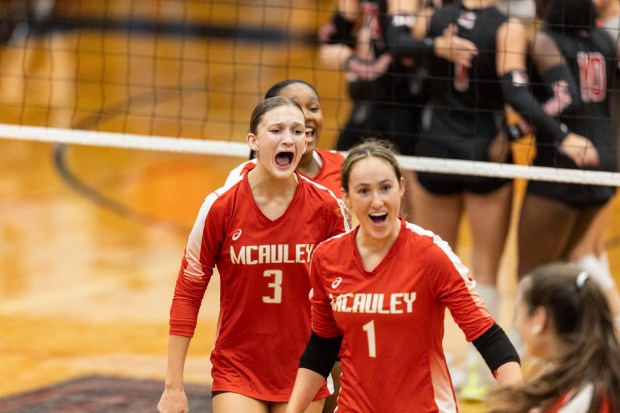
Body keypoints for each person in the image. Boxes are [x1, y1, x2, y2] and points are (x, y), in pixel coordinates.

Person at [405, 0, 597, 398]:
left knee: (430, 268)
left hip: (434, 145)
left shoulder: (431, 17)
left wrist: (431, 48)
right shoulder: (506, 27)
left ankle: (431, 367)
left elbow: (399, 53)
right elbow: (514, 91)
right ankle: (480, 372)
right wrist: (562, 134)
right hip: (486, 151)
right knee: (486, 269)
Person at [284, 139, 522, 413]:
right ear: (346, 198)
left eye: (386, 188)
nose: (377, 201)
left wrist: (519, 400)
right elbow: (322, 347)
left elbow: (488, 336)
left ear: (401, 188)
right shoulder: (327, 257)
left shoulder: (430, 254)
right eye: (363, 191)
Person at [157, 96, 349, 413]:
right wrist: (173, 386)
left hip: (305, 367)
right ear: (254, 141)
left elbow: (348, 289)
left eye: (298, 131)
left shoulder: (326, 207)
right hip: (238, 369)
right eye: (276, 130)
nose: (289, 138)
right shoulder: (221, 206)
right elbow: (188, 292)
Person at [225, 79, 347, 413]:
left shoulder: (345, 173)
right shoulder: (239, 184)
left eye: (312, 108)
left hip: (335, 317)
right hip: (272, 331)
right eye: (290, 111)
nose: (305, 118)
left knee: (348, 375)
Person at [516, 0, 618, 294]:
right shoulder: (605, 39)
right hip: (605, 167)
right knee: (571, 271)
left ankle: (523, 342)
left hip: (561, 167)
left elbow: (564, 100)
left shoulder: (545, 39)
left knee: (531, 277)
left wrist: (515, 129)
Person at [487, 262, 620, 412]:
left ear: (539, 319)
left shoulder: (586, 396)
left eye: (518, 313)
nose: (516, 324)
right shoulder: (574, 372)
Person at [569, 0, 620, 328]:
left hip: (607, 153)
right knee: (591, 248)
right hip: (605, 152)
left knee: (580, 251)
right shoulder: (601, 31)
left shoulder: (610, 31)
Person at [226, 79, 345, 198]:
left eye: (313, 108)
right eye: (294, 108)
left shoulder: (341, 165)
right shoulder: (242, 177)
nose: (307, 116)